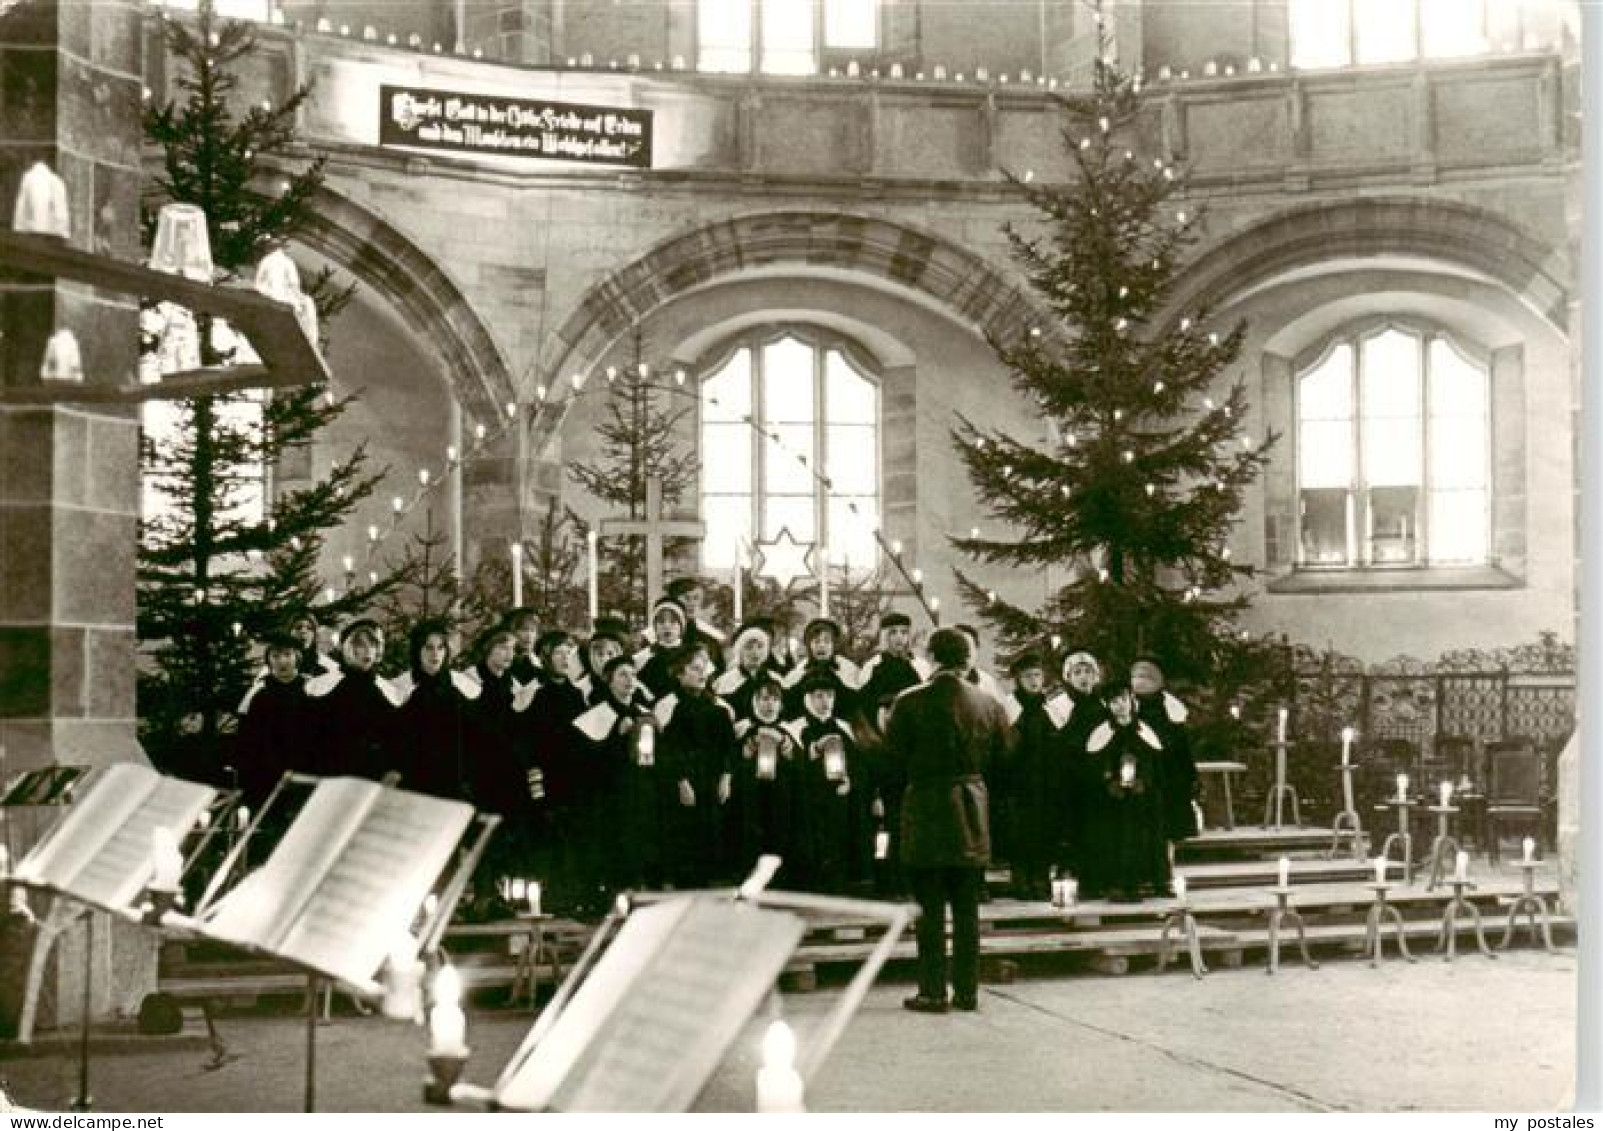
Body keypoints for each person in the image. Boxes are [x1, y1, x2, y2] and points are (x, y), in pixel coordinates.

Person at [884, 626, 1011, 1014]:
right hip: (971, 807)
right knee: (968, 908)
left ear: (932, 657)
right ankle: (968, 992)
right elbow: (1005, 755)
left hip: (926, 806)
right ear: (968, 659)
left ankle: (933, 991)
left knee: (931, 908)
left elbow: (894, 755)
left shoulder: (908, 702)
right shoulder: (989, 704)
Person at [571, 653, 658, 907]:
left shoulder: (644, 712)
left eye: (633, 675)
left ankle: (635, 891)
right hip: (610, 792)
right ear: (609, 680)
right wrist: (614, 736)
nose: (630, 680)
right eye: (622, 675)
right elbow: (585, 759)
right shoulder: (598, 713)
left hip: (639, 788)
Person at [654, 643, 736, 888]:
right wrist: (681, 782)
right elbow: (668, 751)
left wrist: (726, 777)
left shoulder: (718, 710)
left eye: (704, 669)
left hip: (712, 783)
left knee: (711, 838)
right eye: (694, 668)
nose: (701, 674)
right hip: (685, 784)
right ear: (679, 673)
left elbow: (728, 748)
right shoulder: (671, 708)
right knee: (685, 842)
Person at [1081, 680, 1171, 901]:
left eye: (1122, 699)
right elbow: (1095, 766)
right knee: (1115, 837)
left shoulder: (1145, 729)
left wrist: (1144, 782)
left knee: (1146, 835)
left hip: (1142, 799)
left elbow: (1155, 764)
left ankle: (1150, 882)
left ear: (1131, 700)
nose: (1119, 705)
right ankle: (1118, 885)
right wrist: (1110, 782)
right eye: (1113, 702)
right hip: (1113, 802)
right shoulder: (1101, 732)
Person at [999, 651, 1071, 901]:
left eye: (1038, 675)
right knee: (1019, 836)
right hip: (1017, 786)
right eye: (1028, 676)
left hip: (1046, 785)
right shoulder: (1008, 708)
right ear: (1018, 679)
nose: (1034, 681)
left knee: (1044, 834)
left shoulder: (1050, 710)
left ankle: (1040, 880)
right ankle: (1021, 880)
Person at [783, 674, 864, 894]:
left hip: (837, 797)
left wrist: (850, 780)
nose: (825, 701)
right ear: (807, 699)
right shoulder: (795, 728)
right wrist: (815, 749)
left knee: (837, 849)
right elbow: (792, 765)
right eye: (819, 696)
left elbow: (857, 764)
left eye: (830, 696)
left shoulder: (843, 727)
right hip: (806, 799)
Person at [305, 618, 403, 780]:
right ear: (348, 648)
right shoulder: (321, 688)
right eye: (360, 645)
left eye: (372, 645)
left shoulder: (389, 693)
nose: (366, 651)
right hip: (330, 776)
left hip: (372, 778)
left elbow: (396, 742)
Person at [391, 619, 476, 801]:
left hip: (451, 786)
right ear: (417, 650)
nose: (435, 654)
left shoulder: (457, 693)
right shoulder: (402, 688)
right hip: (414, 785)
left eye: (440, 648)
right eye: (428, 647)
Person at [728, 674, 800, 878]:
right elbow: (731, 761)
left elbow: (798, 767)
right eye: (764, 699)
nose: (769, 705)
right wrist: (745, 752)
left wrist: (788, 750)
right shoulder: (742, 728)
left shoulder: (788, 729)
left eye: (774, 700)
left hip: (780, 794)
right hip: (749, 794)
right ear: (754, 702)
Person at [234, 629, 311, 814]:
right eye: (276, 656)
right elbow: (249, 740)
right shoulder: (260, 694)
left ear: (297, 657)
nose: (282, 661)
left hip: (303, 769)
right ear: (269, 661)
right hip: (266, 772)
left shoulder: (311, 689)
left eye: (287, 655)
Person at [1130, 655, 1200, 850]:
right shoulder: (1126, 706)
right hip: (1139, 771)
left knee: (1167, 824)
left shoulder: (1171, 709)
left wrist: (1189, 776)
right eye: (1137, 675)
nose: (1141, 680)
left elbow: (1182, 747)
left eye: (1147, 676)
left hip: (1169, 773)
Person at [1056, 649, 1109, 891]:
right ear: (1068, 677)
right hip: (1069, 777)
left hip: (1097, 776)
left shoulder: (1104, 704)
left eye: (1088, 671)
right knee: (1071, 827)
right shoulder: (1058, 705)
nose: (1083, 677)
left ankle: (1096, 877)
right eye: (1077, 672)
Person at [781, 617, 860, 717]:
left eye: (827, 641)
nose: (821, 645)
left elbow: (856, 706)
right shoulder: (798, 672)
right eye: (816, 641)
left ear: (833, 645)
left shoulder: (848, 669)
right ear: (809, 645)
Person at [711, 618, 783, 720]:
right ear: (739, 651)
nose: (755, 652)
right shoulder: (724, 682)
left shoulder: (776, 679)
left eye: (760, 646)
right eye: (749, 647)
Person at [635, 598, 690, 700]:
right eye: (661, 621)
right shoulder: (642, 657)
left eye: (673, 621)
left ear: (681, 626)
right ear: (655, 626)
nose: (666, 626)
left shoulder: (694, 654)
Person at [287, 611, 339, 680]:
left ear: (314, 635)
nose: (303, 631)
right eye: (298, 627)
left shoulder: (326, 663)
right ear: (290, 632)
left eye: (309, 628)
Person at [502, 607, 543, 688]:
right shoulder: (504, 662)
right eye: (524, 630)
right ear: (513, 632)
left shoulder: (540, 662)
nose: (529, 636)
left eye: (532, 630)